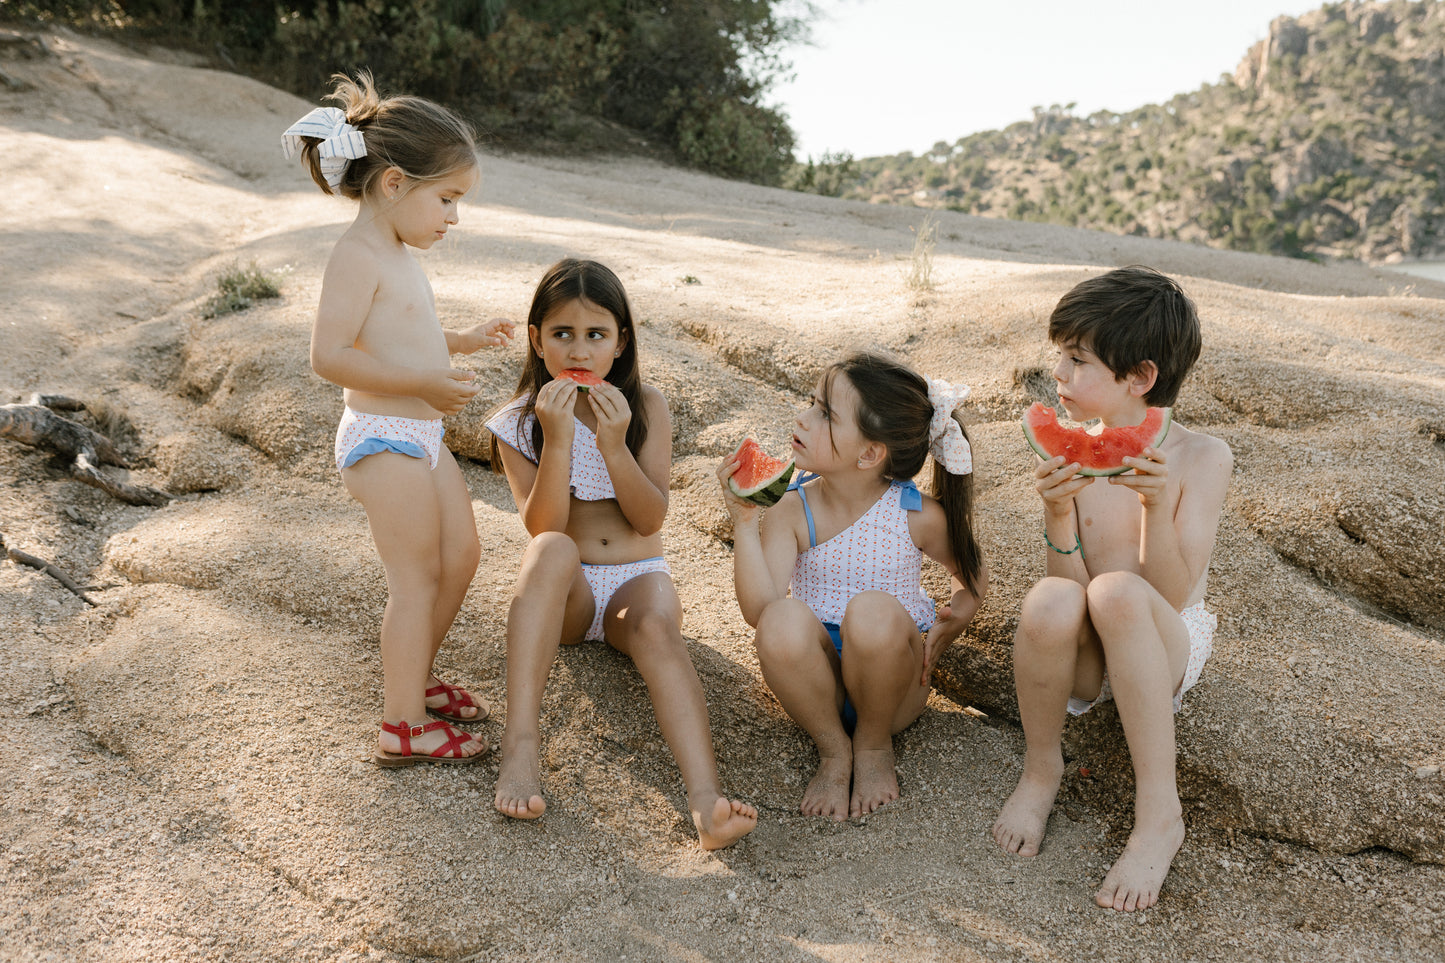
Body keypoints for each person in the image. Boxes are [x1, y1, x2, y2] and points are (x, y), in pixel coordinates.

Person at [485, 258, 756, 850]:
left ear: (621, 341)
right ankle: (521, 746)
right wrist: (556, 439)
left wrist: (613, 444)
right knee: (552, 547)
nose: (578, 351)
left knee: (659, 628)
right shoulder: (515, 422)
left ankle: (706, 800)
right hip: (568, 596)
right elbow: (543, 525)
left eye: (595, 334)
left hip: (637, 581)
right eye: (561, 334)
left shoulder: (646, 407)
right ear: (536, 339)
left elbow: (650, 517)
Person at [285, 72, 515, 766]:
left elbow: (398, 331)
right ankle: (402, 725)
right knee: (415, 576)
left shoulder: (397, 252)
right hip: (382, 439)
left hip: (420, 436)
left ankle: (409, 679)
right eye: (446, 198)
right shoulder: (355, 255)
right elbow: (330, 354)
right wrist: (420, 381)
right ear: (392, 184)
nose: (454, 217)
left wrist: (461, 340)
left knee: (463, 555)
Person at [990, 266, 1233, 913]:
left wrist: (1155, 506)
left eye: (1075, 360)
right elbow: (1067, 587)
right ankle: (1042, 768)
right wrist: (1056, 519)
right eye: (1058, 358)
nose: (1058, 376)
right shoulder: (1070, 452)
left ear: (1139, 377)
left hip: (1165, 635)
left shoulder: (1202, 457)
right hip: (1093, 634)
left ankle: (1159, 812)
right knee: (1047, 598)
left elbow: (1172, 592)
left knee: (1120, 591)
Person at [717, 352, 987, 820]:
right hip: (816, 685)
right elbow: (760, 610)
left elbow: (971, 576)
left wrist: (959, 615)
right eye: (812, 404)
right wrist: (744, 522)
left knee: (872, 611)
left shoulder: (914, 513)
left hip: (894, 691)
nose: (803, 417)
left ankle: (873, 745)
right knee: (779, 619)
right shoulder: (791, 509)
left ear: (869, 454)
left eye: (825, 414)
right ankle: (833, 750)